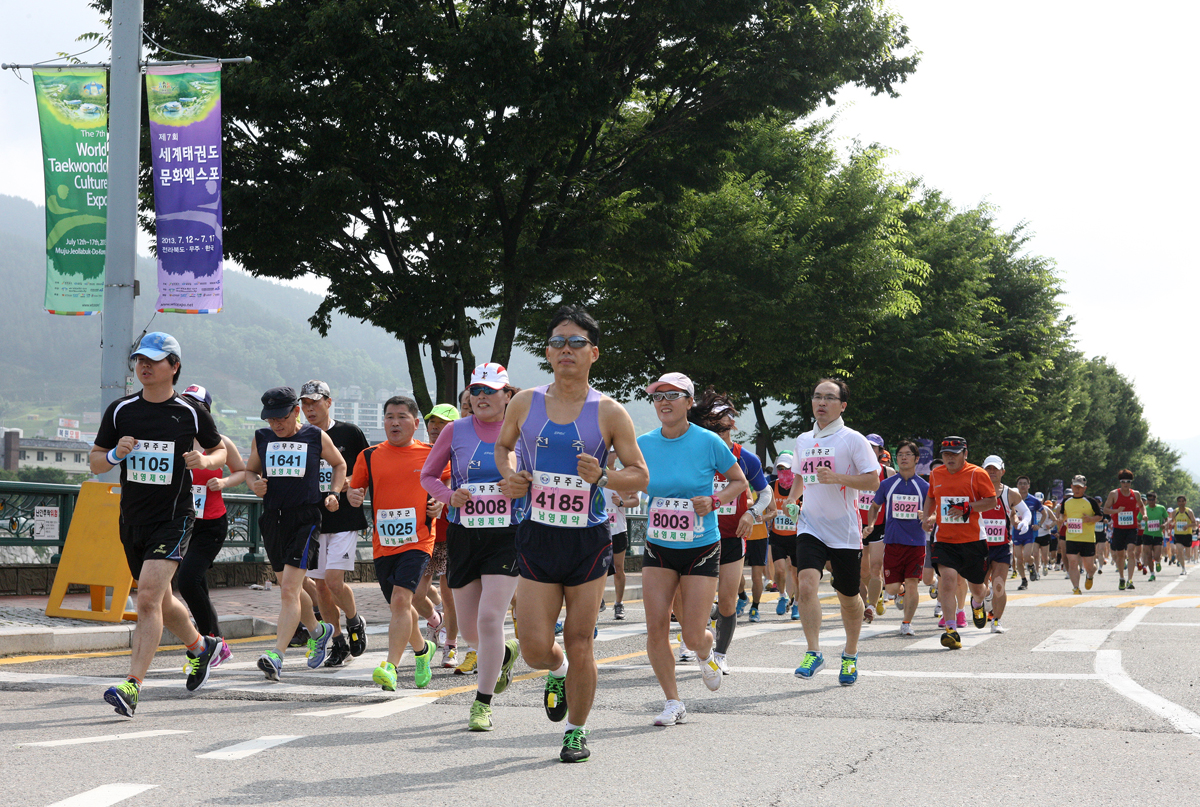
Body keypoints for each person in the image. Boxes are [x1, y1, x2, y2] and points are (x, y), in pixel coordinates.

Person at [494, 305, 648, 763]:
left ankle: (577, 732)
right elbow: (503, 450)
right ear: (547, 351)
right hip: (538, 533)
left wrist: (604, 476)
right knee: (536, 648)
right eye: (558, 342)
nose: (566, 349)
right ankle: (555, 670)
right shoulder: (524, 403)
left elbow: (638, 475)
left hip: (588, 538)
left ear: (593, 353)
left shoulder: (610, 412)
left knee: (581, 639)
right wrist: (511, 476)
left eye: (576, 342)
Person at [91, 333, 230, 717]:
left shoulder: (188, 411)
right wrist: (116, 454)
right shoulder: (121, 411)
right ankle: (202, 647)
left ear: (174, 366)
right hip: (132, 520)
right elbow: (96, 461)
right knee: (163, 600)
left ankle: (132, 686)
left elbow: (220, 449)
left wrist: (204, 461)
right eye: (139, 359)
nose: (144, 366)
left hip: (174, 518)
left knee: (149, 597)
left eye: (153, 360)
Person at [637, 374, 748, 725]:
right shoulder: (643, 444)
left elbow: (738, 482)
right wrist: (626, 493)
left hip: (701, 546)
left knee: (691, 632)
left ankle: (706, 650)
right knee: (655, 627)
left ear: (688, 402)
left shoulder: (708, 442)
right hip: (658, 544)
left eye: (673, 396)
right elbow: (628, 480)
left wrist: (714, 500)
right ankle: (673, 701)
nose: (664, 402)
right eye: (657, 397)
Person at [422, 363, 525, 731]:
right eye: (476, 391)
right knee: (469, 631)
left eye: (491, 391)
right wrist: (451, 496)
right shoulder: (455, 430)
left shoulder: (523, 431)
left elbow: (538, 479)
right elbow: (428, 476)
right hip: (465, 534)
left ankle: (482, 703)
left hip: (507, 535)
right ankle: (505, 653)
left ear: (507, 395)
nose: (482, 397)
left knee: (489, 618)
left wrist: (518, 487)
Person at [783, 378, 880, 685]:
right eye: (816, 397)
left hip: (845, 531)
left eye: (828, 398)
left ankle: (850, 655)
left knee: (849, 597)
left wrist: (837, 477)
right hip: (810, 525)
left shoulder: (853, 440)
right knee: (806, 585)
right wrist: (790, 499)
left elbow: (873, 481)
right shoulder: (802, 440)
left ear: (842, 405)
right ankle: (814, 652)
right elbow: (799, 476)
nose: (821, 402)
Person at [245, 387, 347, 680]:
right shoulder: (261, 438)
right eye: (271, 419)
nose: (276, 424)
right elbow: (250, 470)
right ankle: (318, 631)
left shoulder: (314, 436)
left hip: (306, 518)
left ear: (296, 412)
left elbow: (339, 464)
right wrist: (254, 485)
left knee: (289, 589)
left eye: (282, 418)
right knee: (290, 589)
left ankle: (277, 655)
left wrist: (334, 493)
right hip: (273, 520)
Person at [348, 396, 442, 690]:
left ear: (415, 423)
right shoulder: (369, 455)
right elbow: (355, 486)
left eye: (402, 417)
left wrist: (440, 500)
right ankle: (422, 651)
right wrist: (352, 496)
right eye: (389, 417)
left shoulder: (431, 453)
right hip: (384, 543)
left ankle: (390, 667)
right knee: (400, 607)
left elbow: (448, 482)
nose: (394, 422)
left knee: (402, 600)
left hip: (419, 539)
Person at [686, 388, 770, 673]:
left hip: (733, 537)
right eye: (711, 424)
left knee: (727, 601)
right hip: (697, 535)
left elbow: (766, 493)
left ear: (731, 424)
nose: (717, 430)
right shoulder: (695, 453)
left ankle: (720, 654)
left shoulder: (746, 459)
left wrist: (752, 512)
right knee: (686, 599)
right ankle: (697, 633)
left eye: (722, 424)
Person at [298, 380, 370, 667]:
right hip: (313, 520)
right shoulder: (300, 436)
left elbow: (366, 470)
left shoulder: (349, 433)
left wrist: (345, 485)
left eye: (315, 403)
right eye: (304, 404)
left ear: (329, 402)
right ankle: (338, 640)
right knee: (320, 587)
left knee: (333, 581)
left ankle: (354, 621)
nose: (309, 409)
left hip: (343, 519)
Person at [177, 384, 245, 656]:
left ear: (207, 411)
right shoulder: (176, 439)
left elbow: (242, 471)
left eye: (198, 405)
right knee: (197, 582)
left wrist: (224, 481)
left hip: (211, 524)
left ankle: (211, 642)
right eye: (187, 403)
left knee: (188, 579)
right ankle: (216, 640)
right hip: (183, 523)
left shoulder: (220, 442)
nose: (193, 408)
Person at [920, 436, 997, 650]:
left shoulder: (977, 474)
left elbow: (991, 501)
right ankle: (951, 630)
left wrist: (967, 508)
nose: (949, 458)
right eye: (946, 454)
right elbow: (931, 497)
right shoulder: (936, 473)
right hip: (945, 540)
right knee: (948, 579)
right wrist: (927, 517)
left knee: (978, 587)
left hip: (973, 540)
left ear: (965, 454)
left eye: (954, 454)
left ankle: (978, 603)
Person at [866, 439, 929, 636]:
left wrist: (927, 516)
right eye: (900, 454)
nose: (903, 458)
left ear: (916, 459)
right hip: (892, 542)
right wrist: (870, 524)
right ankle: (899, 593)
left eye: (908, 454)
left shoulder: (924, 486)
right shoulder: (887, 484)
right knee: (892, 588)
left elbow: (934, 513)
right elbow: (874, 506)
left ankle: (907, 623)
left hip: (916, 543)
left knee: (912, 583)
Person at [425, 403, 464, 668]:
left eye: (442, 423)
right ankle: (434, 619)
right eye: (431, 422)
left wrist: (443, 498)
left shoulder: (461, 454)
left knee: (450, 596)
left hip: (451, 534)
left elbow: (450, 482)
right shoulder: (419, 453)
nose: (435, 427)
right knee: (414, 594)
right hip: (423, 536)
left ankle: (451, 645)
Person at [979, 456, 1029, 633]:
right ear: (983, 470)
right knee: (980, 588)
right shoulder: (975, 490)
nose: (992, 472)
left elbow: (1026, 512)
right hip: (979, 546)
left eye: (995, 469)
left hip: (1001, 547)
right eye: (988, 468)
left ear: (1002, 471)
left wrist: (1024, 522)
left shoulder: (1010, 493)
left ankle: (996, 621)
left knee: (999, 584)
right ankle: (981, 602)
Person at [859, 434, 895, 622]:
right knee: (862, 571)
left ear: (881, 451)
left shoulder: (888, 473)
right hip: (857, 524)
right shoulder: (854, 469)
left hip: (879, 525)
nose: (869, 450)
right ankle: (873, 597)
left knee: (875, 568)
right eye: (867, 446)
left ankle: (871, 607)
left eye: (874, 447)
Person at [604, 449, 639, 620]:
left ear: (616, 455)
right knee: (596, 569)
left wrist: (622, 501)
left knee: (618, 569)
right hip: (598, 529)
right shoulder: (594, 474)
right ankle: (598, 600)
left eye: (611, 452)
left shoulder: (622, 475)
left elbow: (636, 500)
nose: (608, 454)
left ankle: (619, 603)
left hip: (617, 529)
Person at [767, 452, 800, 621]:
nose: (783, 472)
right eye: (780, 469)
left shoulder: (799, 487)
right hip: (778, 535)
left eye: (786, 469)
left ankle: (797, 604)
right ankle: (782, 596)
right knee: (779, 570)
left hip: (796, 537)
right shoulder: (772, 486)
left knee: (795, 573)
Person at [1060, 475, 1102, 594]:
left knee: (1089, 566)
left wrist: (1090, 519)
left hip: (1087, 538)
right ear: (1071, 486)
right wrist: (1060, 519)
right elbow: (1063, 515)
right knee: (1072, 562)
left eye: (1080, 487)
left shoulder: (1091, 501)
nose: (1077, 489)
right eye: (1075, 487)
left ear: (1085, 488)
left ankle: (1090, 575)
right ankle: (1076, 588)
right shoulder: (1066, 501)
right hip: (1072, 537)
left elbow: (1100, 516)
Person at [1012, 475, 1042, 589]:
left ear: (1028, 486)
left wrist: (1038, 525)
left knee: (1026, 556)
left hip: (1029, 533)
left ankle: (1031, 565)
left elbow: (1043, 513)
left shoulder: (1034, 500)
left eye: (1025, 483)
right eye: (1020, 483)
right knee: (1019, 558)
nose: (1023, 485)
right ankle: (1024, 580)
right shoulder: (1012, 499)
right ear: (1017, 486)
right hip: (1017, 533)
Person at [1168, 496, 1194, 576]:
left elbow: (1195, 523)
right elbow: (1172, 521)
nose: (1181, 503)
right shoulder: (1175, 512)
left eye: (1183, 501)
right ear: (1177, 503)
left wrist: (1187, 526)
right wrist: (1172, 525)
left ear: (1185, 502)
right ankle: (1183, 569)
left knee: (1188, 555)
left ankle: (1186, 558)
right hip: (1178, 534)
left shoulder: (1189, 511)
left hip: (1187, 535)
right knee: (1179, 550)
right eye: (1179, 501)